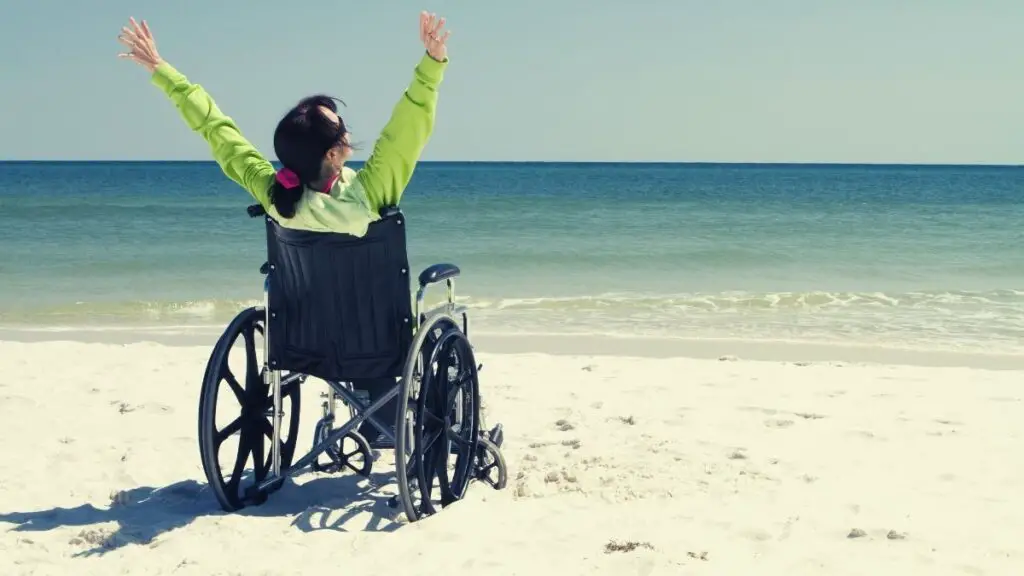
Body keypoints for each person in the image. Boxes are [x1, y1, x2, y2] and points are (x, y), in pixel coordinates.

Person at [116, 12, 451, 447]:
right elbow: (409, 126)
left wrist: (163, 71)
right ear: (334, 154)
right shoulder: (370, 196)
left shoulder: (275, 197)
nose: (349, 134)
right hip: (378, 345)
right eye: (342, 130)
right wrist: (432, 63)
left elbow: (218, 132)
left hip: (304, 345)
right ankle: (391, 418)